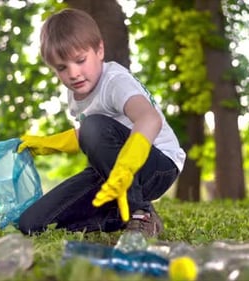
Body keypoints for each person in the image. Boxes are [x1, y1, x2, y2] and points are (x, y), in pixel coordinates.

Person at [17, 8, 186, 238]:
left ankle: (140, 213)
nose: (73, 73)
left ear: (99, 50)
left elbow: (149, 118)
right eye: (62, 67)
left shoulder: (115, 81)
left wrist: (128, 164)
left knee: (93, 126)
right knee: (32, 223)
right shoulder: (75, 92)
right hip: (109, 173)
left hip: (156, 165)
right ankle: (122, 215)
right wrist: (50, 144)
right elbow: (89, 136)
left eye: (80, 60)